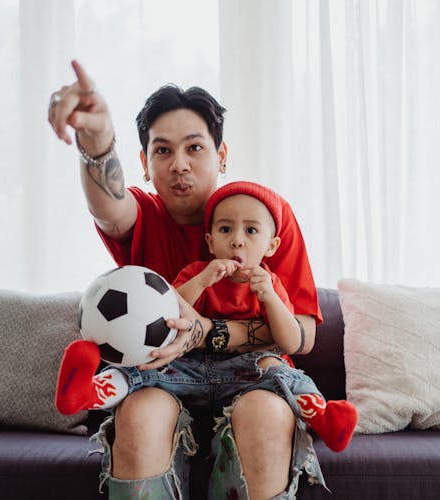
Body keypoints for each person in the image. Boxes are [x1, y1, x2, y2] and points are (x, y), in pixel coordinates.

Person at [48, 60, 325, 499]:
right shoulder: (144, 215)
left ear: (222, 155)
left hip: (251, 378)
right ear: (144, 162)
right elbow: (109, 205)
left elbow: (304, 333)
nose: (179, 165)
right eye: (162, 151)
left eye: (194, 148)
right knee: (138, 416)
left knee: (269, 417)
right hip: (161, 377)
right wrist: (97, 143)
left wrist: (207, 333)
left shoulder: (264, 218)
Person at [57, 181, 358, 453]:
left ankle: (322, 416)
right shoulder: (196, 272)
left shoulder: (270, 283)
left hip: (245, 374)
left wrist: (269, 297)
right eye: (226, 230)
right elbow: (167, 315)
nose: (237, 240)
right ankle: (89, 392)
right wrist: (201, 280)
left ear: (271, 245)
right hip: (188, 367)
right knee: (142, 369)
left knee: (281, 371)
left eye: (251, 231)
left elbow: (291, 342)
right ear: (211, 241)